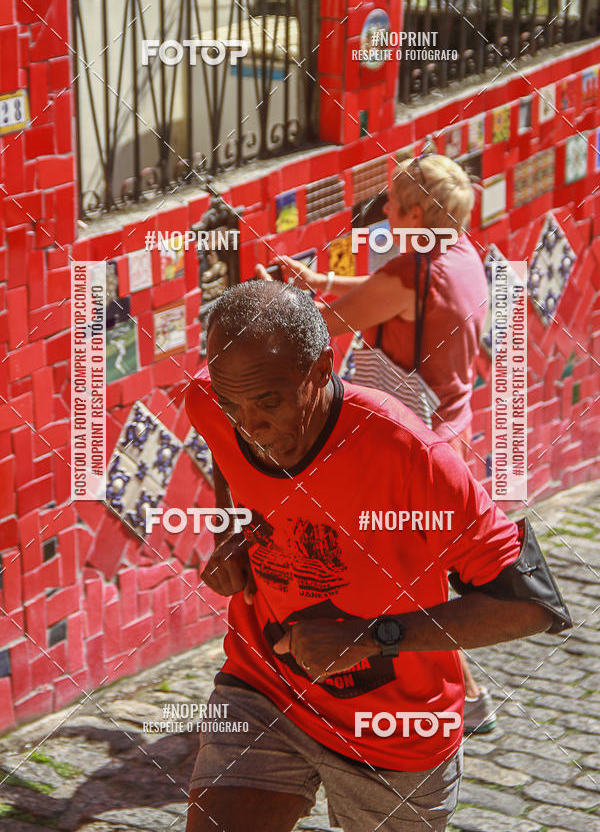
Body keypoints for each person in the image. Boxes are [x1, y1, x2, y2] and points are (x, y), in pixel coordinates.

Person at [184, 280, 571, 832]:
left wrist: (369, 636)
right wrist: (232, 528)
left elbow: (531, 607)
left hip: (397, 727)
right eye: (234, 404)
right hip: (266, 684)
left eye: (269, 402)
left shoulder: (411, 456)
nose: (250, 424)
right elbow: (226, 445)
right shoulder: (211, 401)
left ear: (320, 368)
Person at [257, 154, 494, 731]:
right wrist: (316, 281)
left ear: (414, 212)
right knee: (416, 572)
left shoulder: (410, 274)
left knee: (398, 576)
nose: (384, 210)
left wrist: (274, 300)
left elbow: (322, 327)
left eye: (391, 202)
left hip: (402, 444)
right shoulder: (463, 256)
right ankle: (457, 693)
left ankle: (454, 695)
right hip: (450, 433)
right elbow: (382, 294)